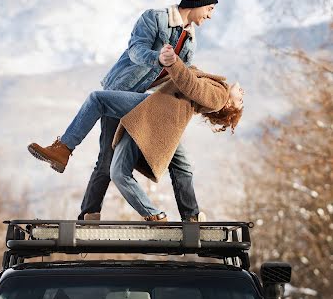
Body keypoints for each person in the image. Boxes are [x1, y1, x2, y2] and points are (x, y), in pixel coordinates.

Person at [27, 56, 244, 221]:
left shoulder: (219, 96)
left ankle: (63, 149)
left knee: (98, 100)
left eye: (241, 101)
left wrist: (173, 61)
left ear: (229, 107)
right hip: (158, 117)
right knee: (119, 172)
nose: (242, 93)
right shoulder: (217, 89)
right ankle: (162, 216)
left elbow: (191, 85)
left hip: (154, 111)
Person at [76, 0, 219, 222]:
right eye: (209, 8)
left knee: (178, 157)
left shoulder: (190, 41)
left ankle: (191, 216)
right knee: (107, 160)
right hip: (119, 93)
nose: (210, 15)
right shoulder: (155, 17)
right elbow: (136, 51)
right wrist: (159, 58)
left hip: (149, 105)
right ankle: (90, 212)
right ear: (196, 3)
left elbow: (180, 77)